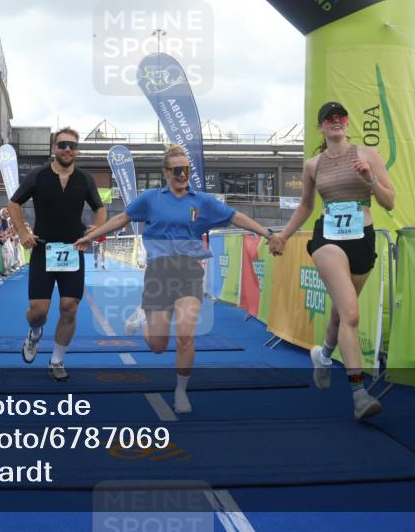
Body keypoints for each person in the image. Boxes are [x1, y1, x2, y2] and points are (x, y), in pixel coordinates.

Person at [75, 145, 282, 413]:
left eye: (186, 170)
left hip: (190, 272)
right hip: (158, 272)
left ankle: (181, 391)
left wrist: (267, 233)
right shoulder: (150, 199)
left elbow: (236, 217)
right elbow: (122, 219)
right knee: (157, 346)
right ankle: (143, 314)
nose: (183, 174)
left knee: (185, 335)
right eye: (177, 170)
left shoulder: (202, 201)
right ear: (166, 173)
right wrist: (92, 237)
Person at [273, 101, 395, 421]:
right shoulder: (313, 164)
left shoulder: (368, 155)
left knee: (341, 314)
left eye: (341, 116)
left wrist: (369, 179)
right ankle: (359, 394)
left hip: (362, 239)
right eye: (329, 118)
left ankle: (323, 354)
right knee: (351, 313)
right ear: (320, 127)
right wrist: (283, 236)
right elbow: (304, 206)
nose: (336, 121)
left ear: (347, 122)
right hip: (328, 239)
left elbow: (390, 201)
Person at [8, 127, 106, 381]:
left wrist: (95, 230)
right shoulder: (38, 176)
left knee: (69, 307)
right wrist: (22, 232)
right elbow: (14, 203)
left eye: (72, 146)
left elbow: (100, 209)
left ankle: (57, 360)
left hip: (74, 249)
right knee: (38, 311)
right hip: (43, 249)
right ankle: (35, 333)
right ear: (53, 148)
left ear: (77, 151)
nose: (67, 150)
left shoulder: (85, 179)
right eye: (62, 145)